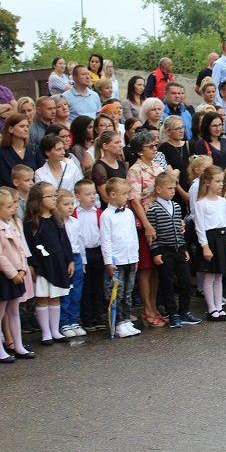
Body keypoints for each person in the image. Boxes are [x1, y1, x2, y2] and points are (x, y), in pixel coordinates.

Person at [127, 131, 173, 328]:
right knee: (146, 267)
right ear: (139, 151)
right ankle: (147, 308)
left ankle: (154, 306)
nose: (154, 149)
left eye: (155, 146)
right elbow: (135, 200)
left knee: (157, 267)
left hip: (161, 218)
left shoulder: (156, 166)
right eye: (150, 147)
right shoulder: (135, 171)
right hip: (145, 222)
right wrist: (146, 224)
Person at [147, 172, 201, 329]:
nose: (172, 191)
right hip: (164, 250)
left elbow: (179, 229)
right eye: (169, 188)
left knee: (185, 281)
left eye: (173, 188)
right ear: (158, 189)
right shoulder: (153, 209)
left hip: (178, 249)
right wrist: (156, 252)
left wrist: (184, 248)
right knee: (167, 283)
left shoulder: (176, 206)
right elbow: (153, 235)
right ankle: (172, 314)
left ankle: (184, 311)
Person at [24, 182, 74, 345]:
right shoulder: (31, 222)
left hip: (58, 262)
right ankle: (46, 333)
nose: (54, 199)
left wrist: (70, 260)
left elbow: (64, 241)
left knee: (55, 297)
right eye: (50, 196)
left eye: (55, 196)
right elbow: (28, 246)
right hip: (42, 265)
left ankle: (55, 330)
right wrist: (31, 264)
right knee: (43, 298)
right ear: (38, 199)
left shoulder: (56, 218)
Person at [99, 177, 141, 338]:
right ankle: (117, 323)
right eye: (124, 194)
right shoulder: (106, 216)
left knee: (128, 292)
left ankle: (125, 320)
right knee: (116, 292)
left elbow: (133, 235)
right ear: (113, 194)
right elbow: (106, 240)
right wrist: (108, 261)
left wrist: (136, 256)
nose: (126, 197)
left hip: (130, 258)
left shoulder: (129, 213)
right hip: (117, 261)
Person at [0, 187, 34, 361]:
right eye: (7, 206)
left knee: (14, 310)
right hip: (5, 276)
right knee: (1, 313)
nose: (13, 208)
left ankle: (19, 345)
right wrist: (13, 273)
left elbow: (20, 249)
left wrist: (22, 269)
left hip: (17, 273)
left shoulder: (12, 224)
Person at [194, 166, 226, 322]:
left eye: (222, 181)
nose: (220, 184)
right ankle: (211, 309)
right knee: (210, 276)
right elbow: (200, 227)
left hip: (222, 238)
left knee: (219, 275)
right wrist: (205, 246)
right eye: (217, 181)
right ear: (208, 182)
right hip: (210, 240)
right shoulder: (201, 203)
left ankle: (219, 307)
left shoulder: (222, 201)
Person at [72, 180, 104, 333]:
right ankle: (87, 318)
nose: (92, 197)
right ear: (77, 196)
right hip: (82, 253)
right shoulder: (74, 214)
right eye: (88, 194)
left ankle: (98, 316)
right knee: (86, 287)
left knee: (98, 285)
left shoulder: (98, 212)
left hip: (97, 251)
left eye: (94, 193)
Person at [53, 189, 85, 338]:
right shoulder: (56, 224)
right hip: (64, 260)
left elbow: (80, 241)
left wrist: (83, 261)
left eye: (72, 203)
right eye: (66, 204)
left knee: (76, 292)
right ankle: (64, 322)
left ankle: (74, 320)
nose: (70, 207)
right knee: (65, 292)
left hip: (77, 257)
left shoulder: (76, 222)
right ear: (56, 205)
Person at [0, 113, 44, 187]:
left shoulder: (35, 149)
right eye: (22, 126)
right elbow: (4, 178)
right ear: (11, 129)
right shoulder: (2, 152)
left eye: (27, 126)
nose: (26, 129)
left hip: (34, 193)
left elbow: (42, 173)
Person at [158, 116, 192, 205]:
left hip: (191, 188)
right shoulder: (164, 148)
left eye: (182, 127)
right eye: (177, 128)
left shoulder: (189, 145)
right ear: (168, 131)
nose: (181, 131)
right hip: (175, 192)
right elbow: (169, 175)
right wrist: (183, 194)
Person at [90, 130, 126, 209]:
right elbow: (105, 196)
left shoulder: (120, 163)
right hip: (111, 210)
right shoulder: (99, 167)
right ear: (105, 146)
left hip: (123, 207)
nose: (121, 145)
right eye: (117, 143)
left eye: (120, 142)